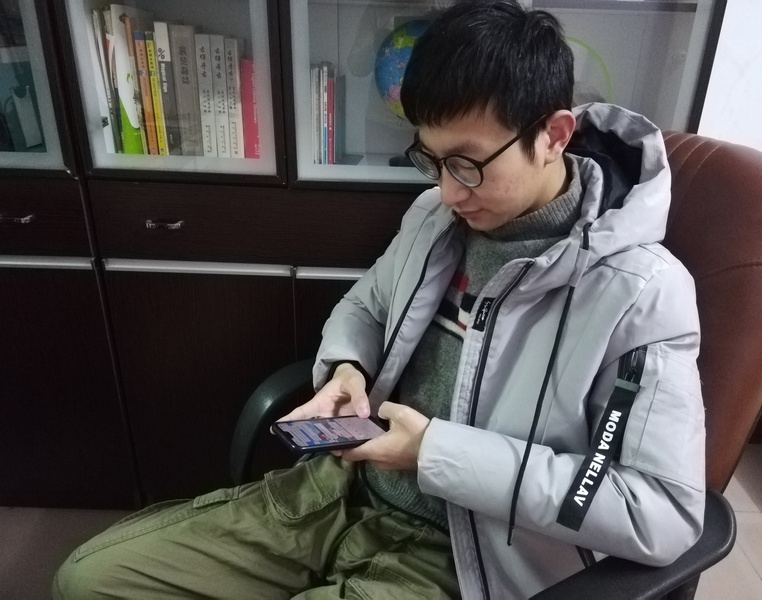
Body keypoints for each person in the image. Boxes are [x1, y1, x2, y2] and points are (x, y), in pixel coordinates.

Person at [53, 1, 706, 598]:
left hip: (462, 556)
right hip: (338, 492)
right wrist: (348, 369)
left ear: (554, 134)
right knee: (88, 582)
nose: (448, 191)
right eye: (432, 159)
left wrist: (434, 453)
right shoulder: (434, 220)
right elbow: (366, 307)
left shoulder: (641, 295)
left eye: (469, 164)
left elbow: (660, 512)